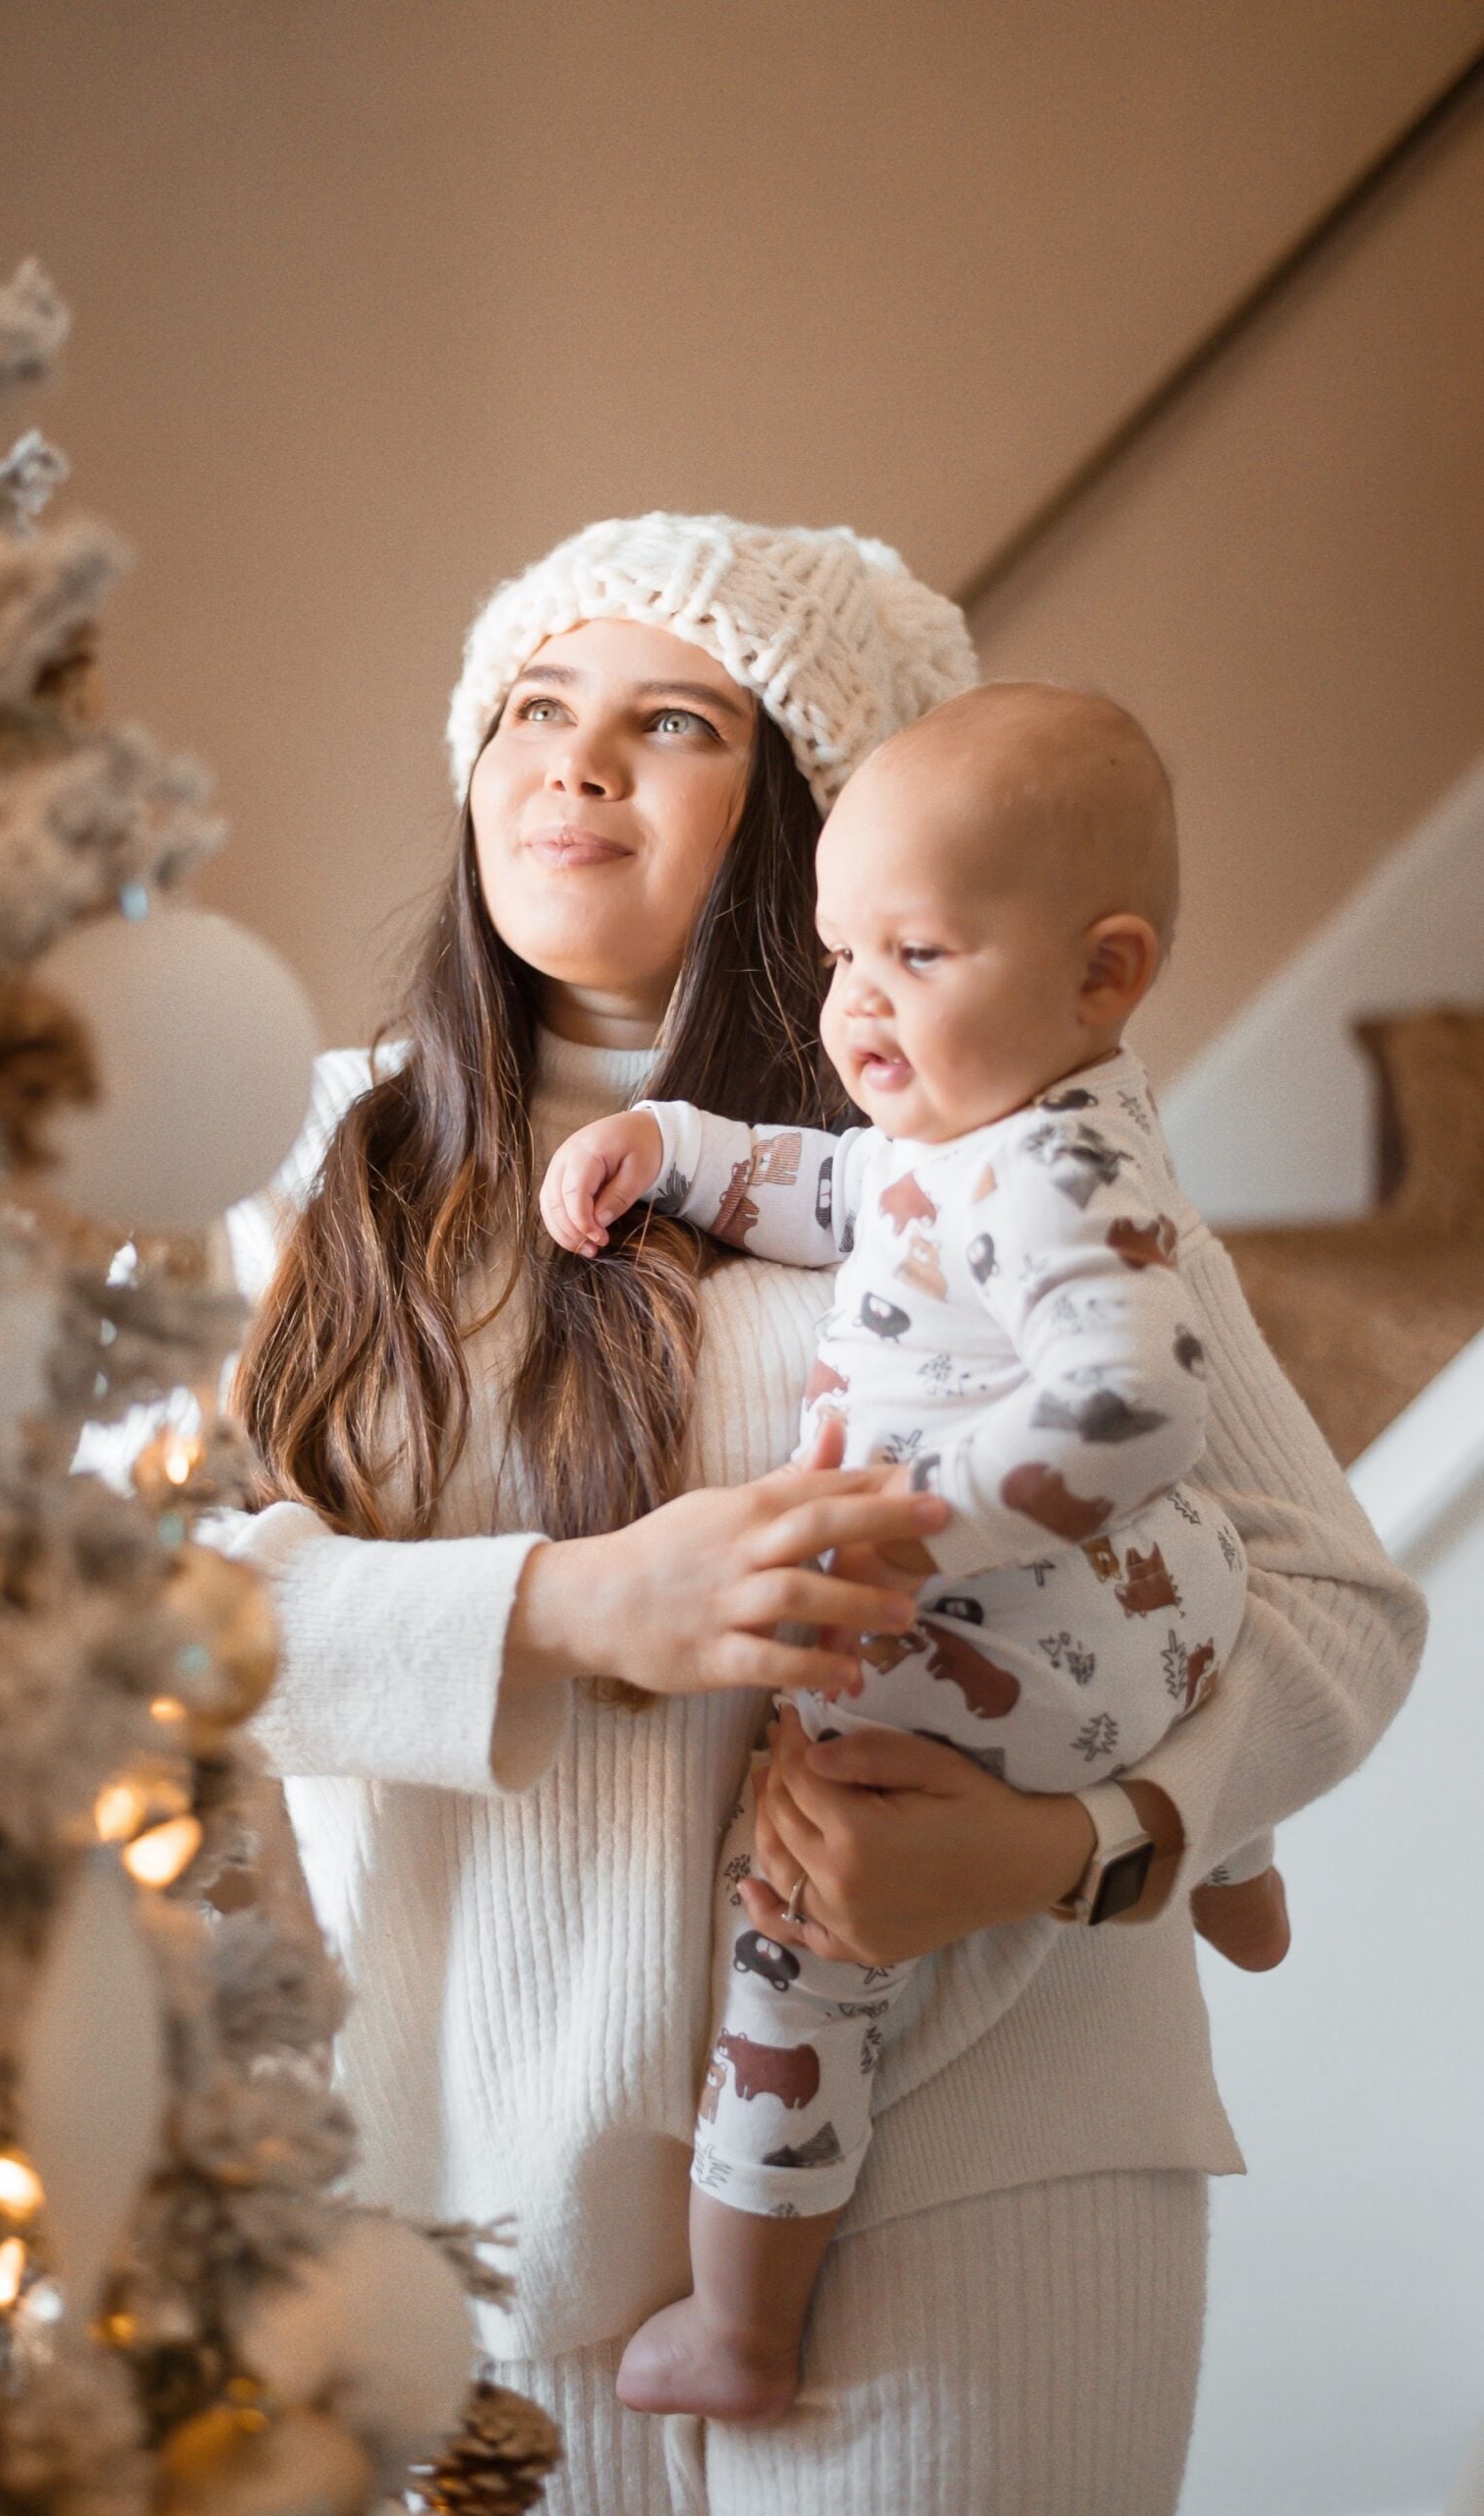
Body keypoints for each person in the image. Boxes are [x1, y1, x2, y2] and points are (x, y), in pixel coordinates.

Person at [207, 513, 1423, 2516]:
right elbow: (102, 1621)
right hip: (475, 2171)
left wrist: (1085, 1845)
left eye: (669, 717)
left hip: (987, 2127)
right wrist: (569, 1606)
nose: (572, 758)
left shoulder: (997, 1145)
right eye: (531, 705)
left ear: (818, 806)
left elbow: (1323, 1598)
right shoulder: (302, 1170)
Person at [541, 681, 1287, 2423]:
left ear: (1103, 975)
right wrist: (682, 1155)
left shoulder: (1058, 1183)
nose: (859, 1005)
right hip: (1171, 1631)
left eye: (918, 958)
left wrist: (910, 1516)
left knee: (795, 1967)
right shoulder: (986, 1135)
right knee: (1195, 1624)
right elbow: (837, 1186)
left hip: (989, 1678)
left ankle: (742, 2324)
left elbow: (1140, 1407)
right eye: (838, 956)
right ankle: (1226, 1841)